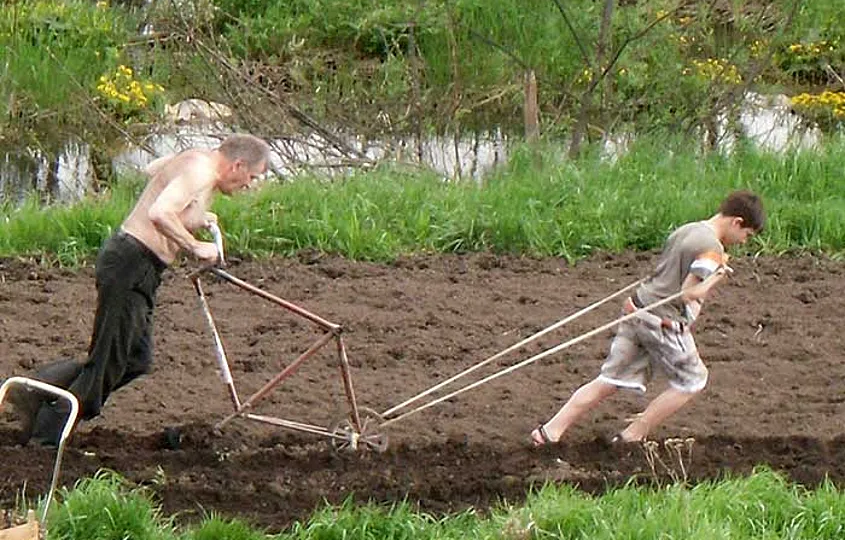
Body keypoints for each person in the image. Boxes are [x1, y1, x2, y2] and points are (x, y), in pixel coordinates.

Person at [8, 134, 271, 446]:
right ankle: (47, 434)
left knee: (136, 359)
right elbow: (159, 213)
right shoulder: (200, 171)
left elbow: (155, 169)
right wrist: (194, 245)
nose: (248, 186)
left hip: (141, 268)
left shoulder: (197, 160)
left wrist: (195, 217)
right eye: (250, 178)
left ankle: (35, 390)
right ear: (237, 165)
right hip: (131, 262)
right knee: (108, 362)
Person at [531, 190, 765, 446]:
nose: (743, 241)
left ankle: (549, 432)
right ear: (737, 222)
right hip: (663, 323)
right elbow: (689, 293)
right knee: (693, 381)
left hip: (637, 309)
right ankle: (633, 434)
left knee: (609, 379)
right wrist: (718, 276)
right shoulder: (712, 248)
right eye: (747, 235)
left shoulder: (687, 230)